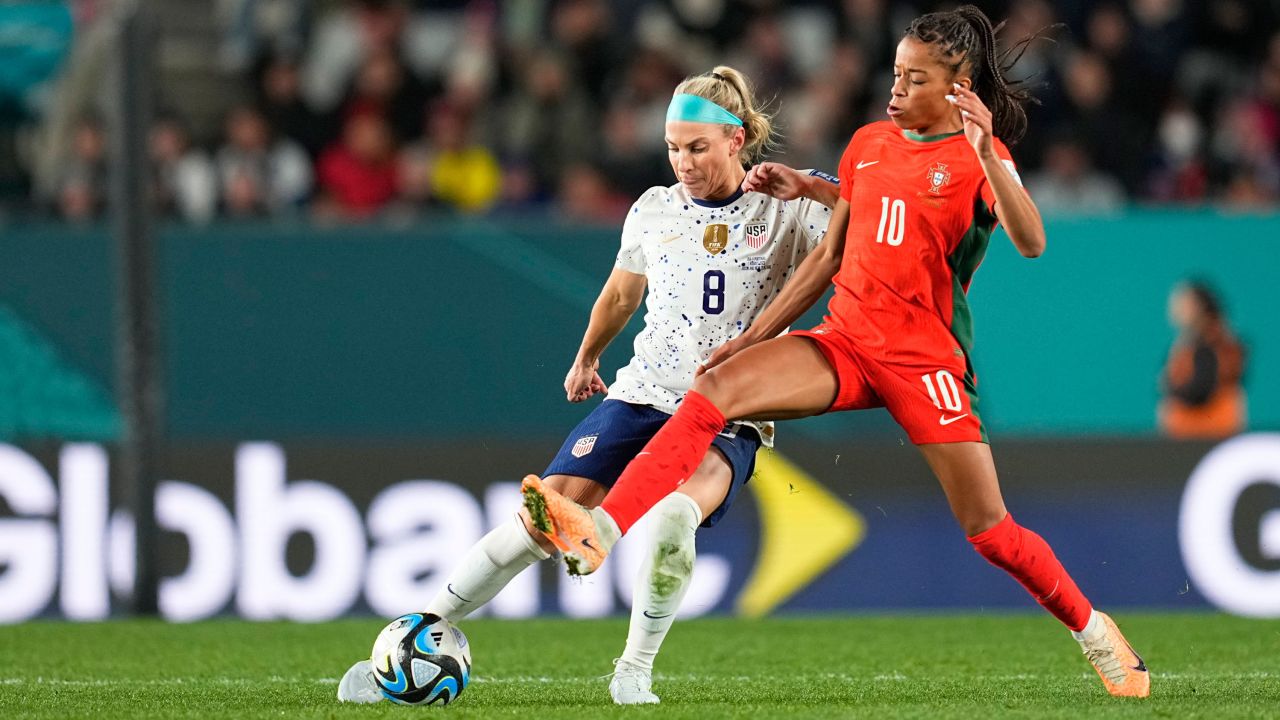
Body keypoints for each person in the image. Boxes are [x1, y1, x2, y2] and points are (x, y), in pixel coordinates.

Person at [521, 5, 1151, 700]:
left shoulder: (981, 159)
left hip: (925, 363)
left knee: (990, 530)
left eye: (914, 79)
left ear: (958, 84)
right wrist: (752, 338)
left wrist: (983, 150)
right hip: (846, 342)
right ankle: (603, 530)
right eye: (895, 74)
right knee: (718, 388)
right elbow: (828, 253)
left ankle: (1094, 629)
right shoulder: (870, 143)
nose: (896, 90)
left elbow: (1031, 240)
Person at [337, 66, 838, 705]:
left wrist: (813, 184)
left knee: (670, 524)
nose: (682, 161)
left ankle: (632, 673)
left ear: (736, 140)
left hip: (729, 410)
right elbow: (622, 293)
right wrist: (586, 357)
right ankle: (414, 637)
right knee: (540, 519)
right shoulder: (654, 209)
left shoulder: (788, 210)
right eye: (673, 148)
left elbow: (862, 213)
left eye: (697, 147)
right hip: (642, 394)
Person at [1158, 280, 1246, 438]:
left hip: (1209, 432)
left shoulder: (1212, 342)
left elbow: (1202, 387)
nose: (1176, 309)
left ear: (1199, 307)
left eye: (1184, 303)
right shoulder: (1187, 344)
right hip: (1184, 433)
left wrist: (1171, 388)